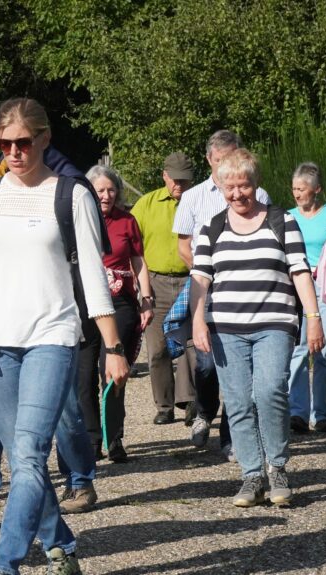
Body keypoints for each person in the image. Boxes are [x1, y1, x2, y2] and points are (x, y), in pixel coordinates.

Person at [0, 98, 129, 575]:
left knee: (28, 454)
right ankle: (62, 546)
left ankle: (3, 564)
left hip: (52, 337)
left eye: (23, 142)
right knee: (26, 466)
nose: (14, 151)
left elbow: (94, 278)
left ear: (45, 139)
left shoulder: (72, 194)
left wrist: (112, 347)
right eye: (4, 143)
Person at [189, 148, 323, 508]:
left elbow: (299, 272)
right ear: (219, 187)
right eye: (229, 187)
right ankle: (252, 475)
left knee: (269, 391)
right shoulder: (211, 228)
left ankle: (277, 467)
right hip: (225, 328)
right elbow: (200, 278)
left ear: (256, 184)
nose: (237, 194)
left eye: (244, 186)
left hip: (274, 323)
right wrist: (197, 319)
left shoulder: (282, 221)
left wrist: (313, 319)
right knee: (236, 401)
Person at [172, 130, 272, 457]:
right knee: (205, 364)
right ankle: (203, 410)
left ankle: (231, 438)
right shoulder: (194, 197)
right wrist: (206, 271)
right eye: (219, 161)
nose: (225, 166)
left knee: (239, 368)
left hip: (245, 295)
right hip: (208, 289)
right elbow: (184, 244)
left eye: (231, 158)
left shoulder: (262, 197)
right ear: (209, 160)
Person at [76, 164, 153, 462]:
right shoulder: (79, 219)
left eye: (111, 190)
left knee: (112, 373)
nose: (106, 196)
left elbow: (139, 261)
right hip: (84, 306)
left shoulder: (127, 221)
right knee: (83, 378)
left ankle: (115, 438)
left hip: (120, 304)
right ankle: (93, 439)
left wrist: (146, 298)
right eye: (100, 191)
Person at [129, 152, 197, 425]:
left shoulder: (198, 201)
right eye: (174, 179)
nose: (179, 185)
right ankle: (165, 404)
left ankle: (190, 401)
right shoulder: (147, 204)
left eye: (185, 180)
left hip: (190, 279)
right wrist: (141, 284)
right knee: (157, 348)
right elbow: (133, 245)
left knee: (190, 345)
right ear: (164, 176)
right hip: (156, 281)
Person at [287, 162, 326, 434]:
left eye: (302, 189)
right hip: (297, 287)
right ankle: (297, 413)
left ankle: (321, 415)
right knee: (298, 349)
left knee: (324, 350)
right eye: (294, 189)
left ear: (317, 190)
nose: (297, 194)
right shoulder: (287, 217)